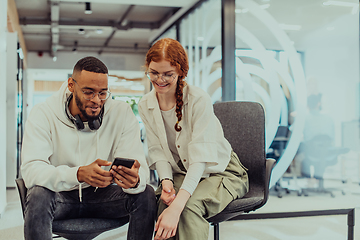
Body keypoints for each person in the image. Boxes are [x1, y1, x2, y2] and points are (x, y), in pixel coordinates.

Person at [21, 56, 157, 240]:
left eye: (102, 93)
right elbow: (31, 170)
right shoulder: (43, 113)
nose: (96, 100)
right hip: (62, 197)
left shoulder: (121, 113)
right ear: (71, 85)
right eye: (88, 92)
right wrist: (77, 174)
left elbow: (139, 170)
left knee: (146, 193)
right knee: (38, 194)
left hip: (103, 198)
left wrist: (134, 180)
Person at [138, 38, 249, 240]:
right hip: (183, 171)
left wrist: (178, 205)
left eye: (168, 74)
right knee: (164, 204)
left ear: (181, 72)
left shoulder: (198, 99)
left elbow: (200, 160)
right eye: (154, 72)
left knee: (187, 208)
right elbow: (157, 151)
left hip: (221, 171)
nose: (159, 79)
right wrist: (166, 182)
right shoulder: (145, 104)